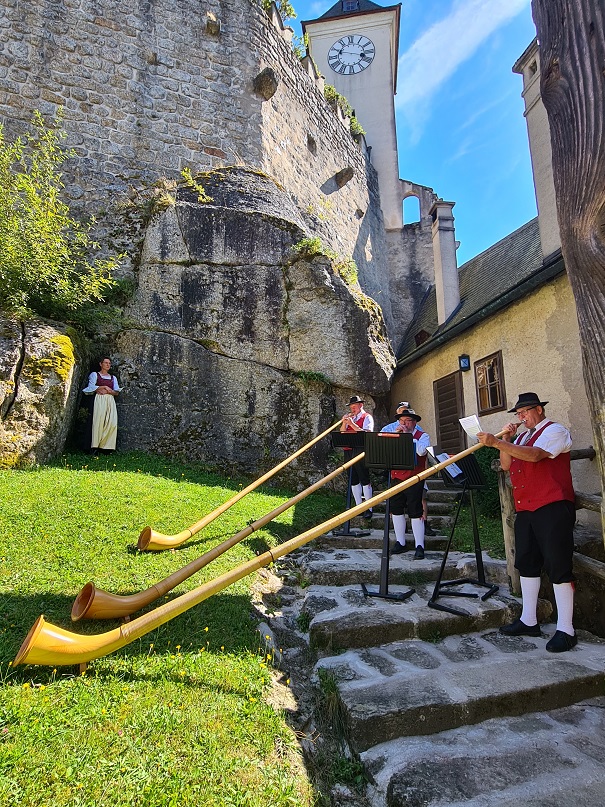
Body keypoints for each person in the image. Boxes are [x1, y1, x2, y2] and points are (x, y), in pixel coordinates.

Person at [477, 391, 576, 653]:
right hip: (528, 508)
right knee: (527, 563)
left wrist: (497, 443)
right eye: (518, 414)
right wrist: (507, 439)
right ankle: (528, 619)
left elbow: (534, 456)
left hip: (553, 506)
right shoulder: (521, 437)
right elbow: (509, 465)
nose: (522, 417)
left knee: (558, 565)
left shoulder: (556, 431)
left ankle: (566, 629)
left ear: (539, 410)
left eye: (525, 412)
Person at [381, 403, 431, 559]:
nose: (403, 424)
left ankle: (419, 545)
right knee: (396, 510)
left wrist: (408, 438)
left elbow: (421, 451)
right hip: (396, 476)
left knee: (415, 511)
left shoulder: (423, 436)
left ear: (414, 422)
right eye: (401, 421)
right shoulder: (395, 434)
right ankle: (400, 542)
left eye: (407, 421)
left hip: (414, 478)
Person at [340, 395, 374, 519]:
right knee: (353, 479)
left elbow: (367, 433)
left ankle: (369, 507)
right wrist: (344, 423)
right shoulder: (350, 418)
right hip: (348, 450)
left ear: (361, 406)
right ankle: (358, 506)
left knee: (364, 477)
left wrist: (352, 424)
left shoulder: (367, 417)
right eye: (351, 407)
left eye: (354, 407)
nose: (352, 409)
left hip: (361, 449)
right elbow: (342, 432)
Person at [82, 357, 122, 453]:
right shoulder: (95, 375)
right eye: (106, 363)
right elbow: (90, 388)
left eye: (109, 363)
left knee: (111, 423)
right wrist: (103, 387)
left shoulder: (113, 378)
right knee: (97, 422)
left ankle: (106, 447)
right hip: (99, 400)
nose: (108, 365)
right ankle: (94, 446)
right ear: (101, 364)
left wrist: (109, 391)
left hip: (110, 400)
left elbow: (116, 392)